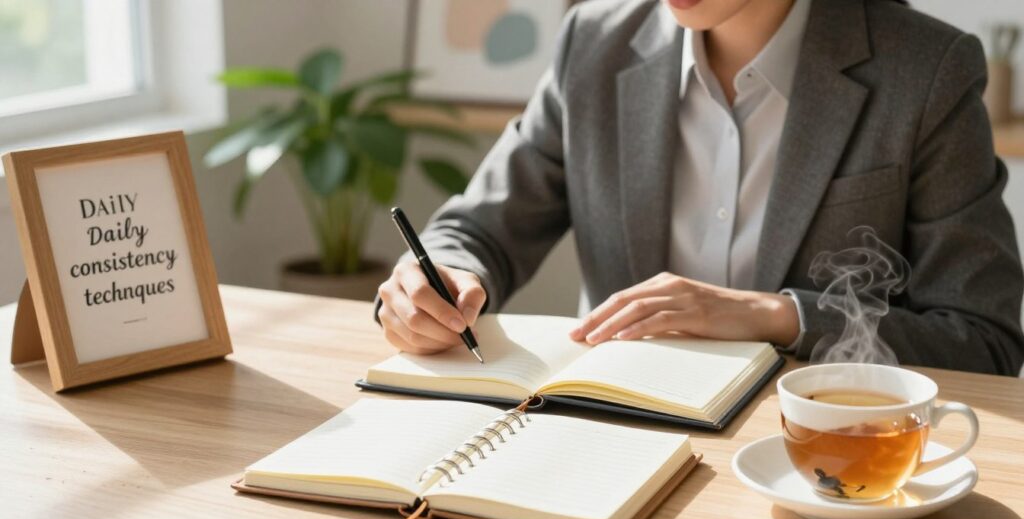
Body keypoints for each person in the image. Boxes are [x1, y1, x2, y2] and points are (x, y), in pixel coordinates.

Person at [375, 0, 1024, 376]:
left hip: (820, 466)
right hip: (612, 438)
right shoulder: (594, 44)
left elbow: (984, 340)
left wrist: (776, 316)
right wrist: (440, 278)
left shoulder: (926, 71)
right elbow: (479, 228)